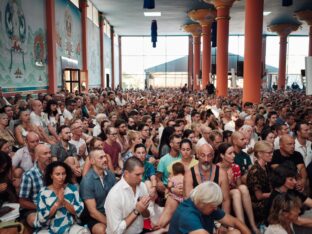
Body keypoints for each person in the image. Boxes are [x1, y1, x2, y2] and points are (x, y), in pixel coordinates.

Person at [169, 181, 250, 234]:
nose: (215, 208)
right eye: (213, 206)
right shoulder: (187, 214)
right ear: (203, 202)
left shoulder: (204, 205)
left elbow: (235, 222)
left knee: (235, 233)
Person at [217, 143, 259, 233]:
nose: (233, 155)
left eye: (233, 153)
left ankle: (252, 225)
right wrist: (226, 182)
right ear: (222, 155)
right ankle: (243, 226)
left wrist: (232, 181)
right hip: (221, 197)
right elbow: (216, 191)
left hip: (234, 194)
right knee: (236, 192)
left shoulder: (235, 167)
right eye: (230, 153)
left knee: (243, 188)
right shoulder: (217, 169)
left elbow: (238, 186)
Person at [34, 161, 85, 233]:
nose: (61, 177)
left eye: (63, 174)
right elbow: (42, 218)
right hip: (49, 229)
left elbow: (79, 211)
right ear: (51, 176)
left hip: (71, 226)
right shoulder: (44, 192)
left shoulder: (72, 189)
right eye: (57, 174)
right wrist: (57, 203)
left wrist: (64, 201)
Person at [104, 157, 152, 234]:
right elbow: (116, 231)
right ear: (126, 174)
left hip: (140, 231)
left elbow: (147, 216)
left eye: (142, 174)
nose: (141, 178)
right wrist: (136, 211)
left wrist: (143, 209)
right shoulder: (115, 194)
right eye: (137, 174)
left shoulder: (142, 186)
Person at [184, 143, 231, 214]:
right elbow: (188, 200)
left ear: (213, 156)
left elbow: (226, 200)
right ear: (197, 155)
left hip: (216, 215)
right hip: (196, 214)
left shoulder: (222, 173)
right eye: (203, 155)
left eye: (209, 156)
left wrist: (224, 223)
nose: (206, 159)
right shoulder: (189, 174)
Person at [80, 150, 116, 234]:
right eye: (101, 157)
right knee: (103, 230)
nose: (105, 160)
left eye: (105, 156)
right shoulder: (87, 181)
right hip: (95, 217)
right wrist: (112, 224)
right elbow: (93, 212)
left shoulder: (110, 174)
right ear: (92, 161)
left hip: (111, 212)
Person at [19, 144, 52, 227]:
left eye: (49, 153)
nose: (49, 156)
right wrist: (41, 208)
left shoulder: (55, 171)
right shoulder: (29, 175)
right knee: (35, 220)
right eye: (45, 154)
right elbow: (23, 202)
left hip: (53, 205)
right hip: (34, 208)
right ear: (37, 157)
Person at [247, 141, 273, 225]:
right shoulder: (255, 171)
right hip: (259, 205)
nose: (271, 155)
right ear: (260, 154)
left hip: (268, 200)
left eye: (272, 152)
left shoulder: (266, 167)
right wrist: (274, 194)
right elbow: (259, 196)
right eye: (269, 153)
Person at [158, 162, 185, 228]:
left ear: (174, 171)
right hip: (183, 198)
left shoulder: (173, 178)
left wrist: (170, 187)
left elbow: (169, 186)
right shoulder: (185, 178)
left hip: (174, 197)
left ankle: (159, 228)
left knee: (166, 216)